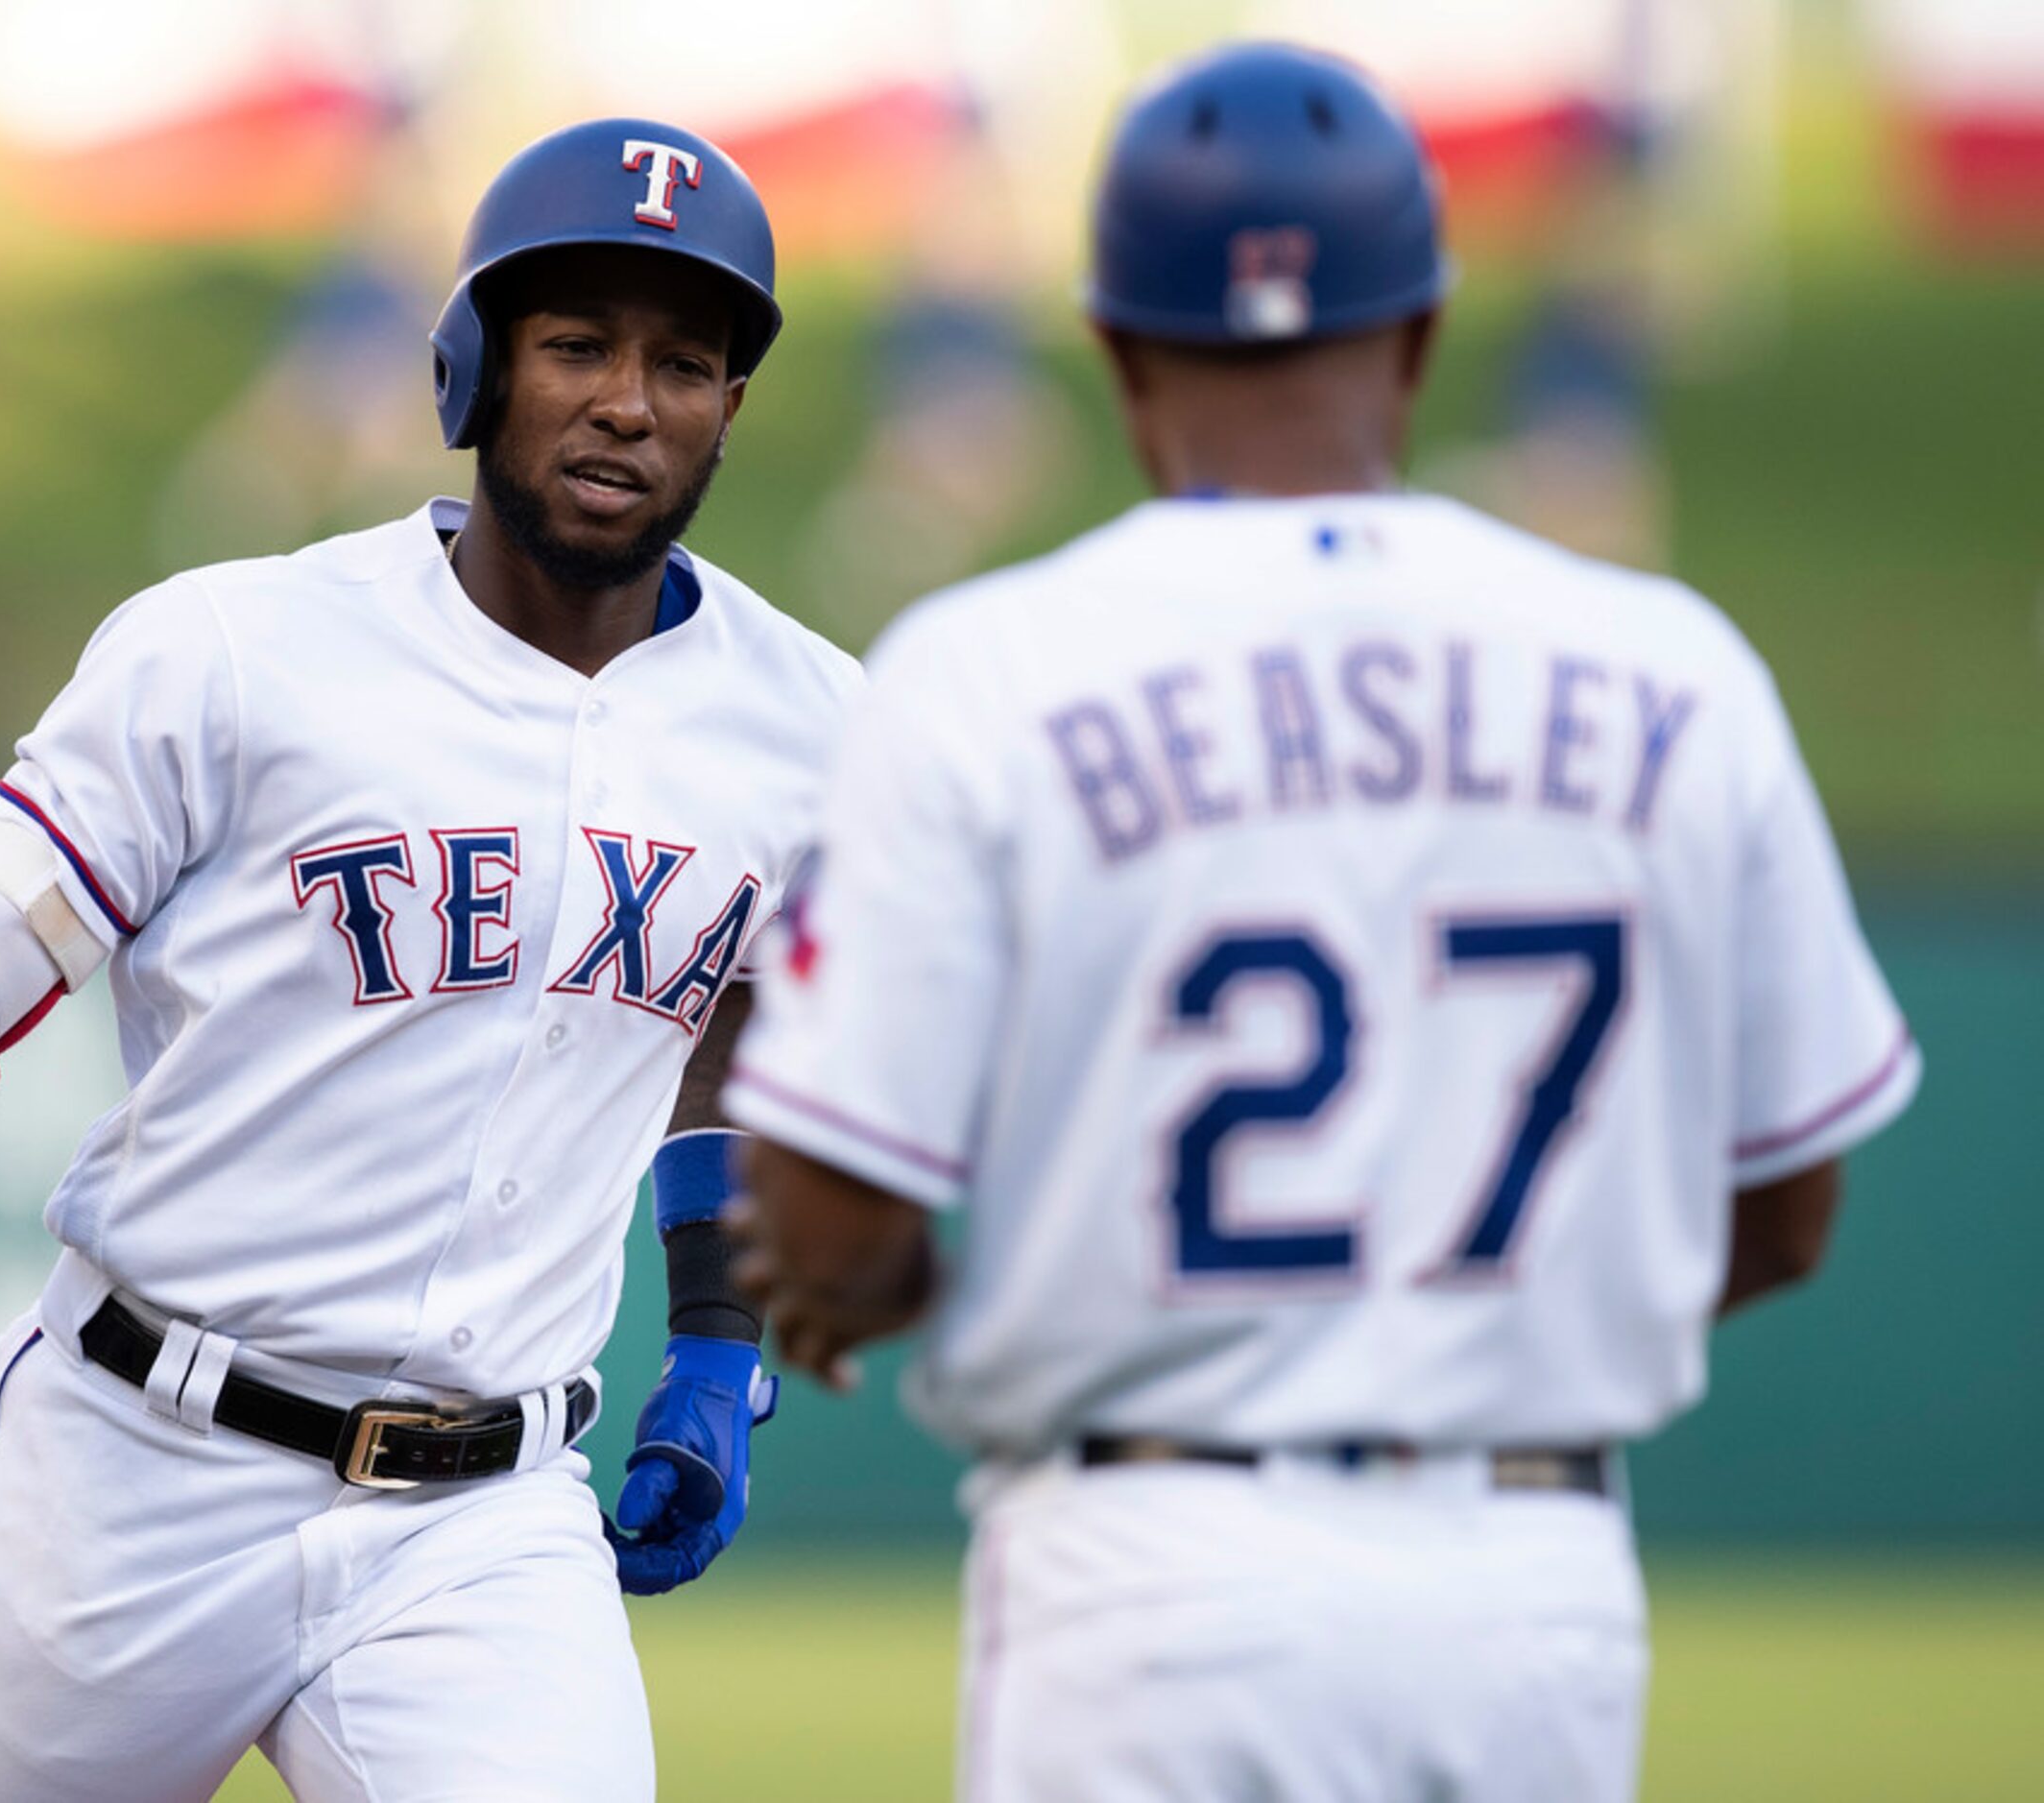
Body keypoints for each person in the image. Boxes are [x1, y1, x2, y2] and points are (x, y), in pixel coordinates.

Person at [724, 42, 1918, 1803]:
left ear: (1118, 345)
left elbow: (829, 1208)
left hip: (1151, 1574)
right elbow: (1792, 1206)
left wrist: (854, 1284)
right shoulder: (1673, 667)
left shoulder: (989, 667)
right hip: (1535, 1585)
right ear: (1425, 334)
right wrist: (1487, 1333)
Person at [0, 116, 858, 1802]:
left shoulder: (811, 722)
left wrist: (716, 1339)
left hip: (486, 1523)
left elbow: (745, 1018)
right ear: (474, 369)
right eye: (576, 346)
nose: (630, 401)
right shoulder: (236, 649)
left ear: (729, 408)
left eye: (684, 362)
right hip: (131, 1470)